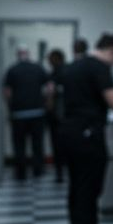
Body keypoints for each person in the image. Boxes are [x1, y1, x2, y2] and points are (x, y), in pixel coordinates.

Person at [57, 32, 113, 224]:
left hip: (70, 134)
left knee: (77, 189)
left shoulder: (74, 66)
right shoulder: (99, 68)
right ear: (112, 51)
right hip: (88, 135)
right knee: (89, 191)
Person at [2, 47, 49, 180]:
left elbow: (7, 92)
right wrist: (46, 103)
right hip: (37, 113)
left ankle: (21, 173)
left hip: (18, 114)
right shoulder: (38, 68)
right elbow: (49, 88)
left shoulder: (12, 70)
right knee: (37, 144)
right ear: (28, 54)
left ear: (18, 55)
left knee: (19, 145)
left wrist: (10, 108)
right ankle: (38, 170)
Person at [44, 48, 68, 183]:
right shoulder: (70, 71)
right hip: (68, 117)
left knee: (57, 146)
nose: (48, 61)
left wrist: (48, 106)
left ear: (57, 59)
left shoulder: (53, 74)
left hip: (56, 117)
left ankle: (59, 174)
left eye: (50, 59)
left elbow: (50, 94)